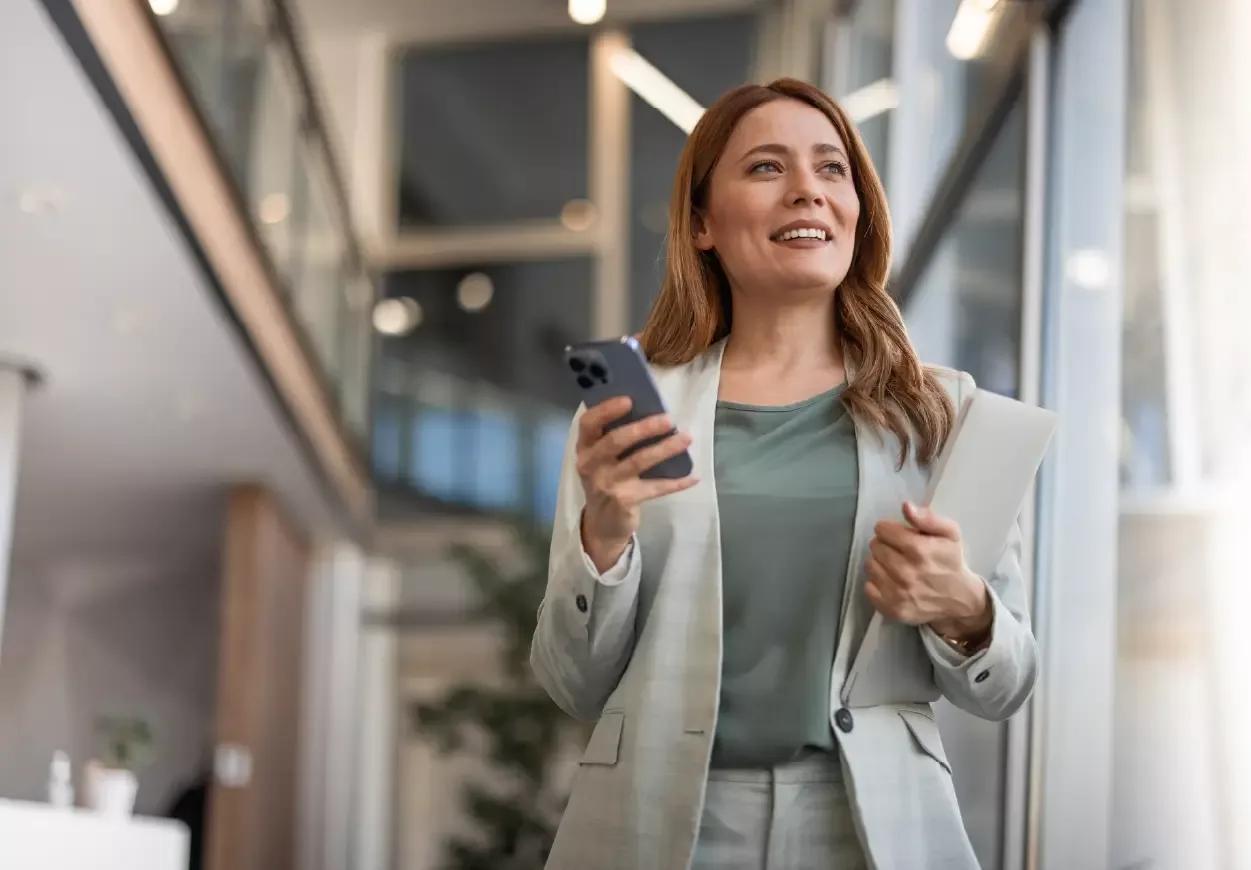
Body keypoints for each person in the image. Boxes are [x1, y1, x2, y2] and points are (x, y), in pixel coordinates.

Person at [530, 77, 1038, 870]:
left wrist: (964, 609)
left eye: (830, 169)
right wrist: (603, 533)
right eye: (766, 168)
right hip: (662, 822)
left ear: (857, 209)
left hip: (870, 821)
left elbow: (1003, 685)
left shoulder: (942, 413)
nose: (807, 189)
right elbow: (571, 682)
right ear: (701, 222)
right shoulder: (631, 418)